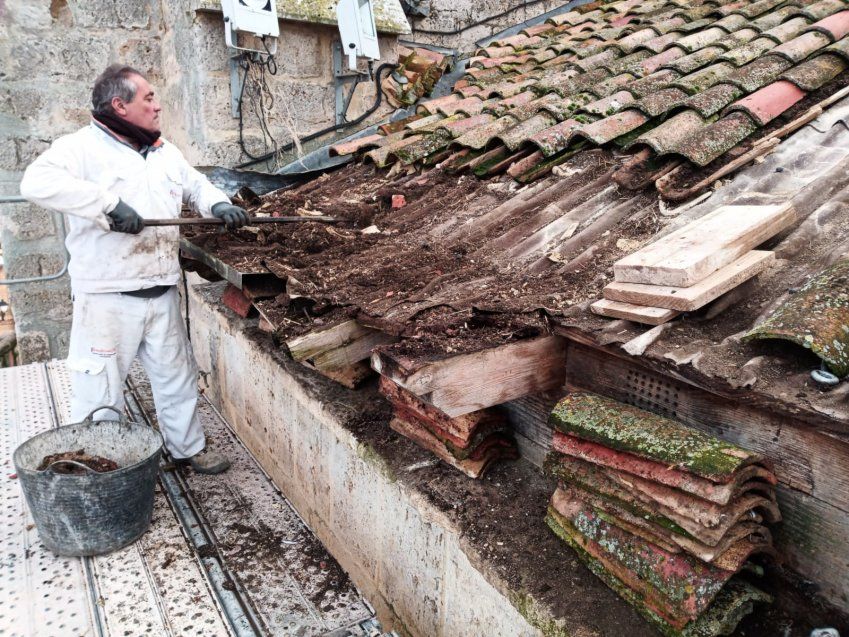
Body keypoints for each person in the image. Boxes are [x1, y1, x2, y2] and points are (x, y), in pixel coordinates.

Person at [20, 64, 250, 474]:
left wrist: (218, 205)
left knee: (176, 378)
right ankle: (101, 466)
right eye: (148, 98)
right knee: (100, 389)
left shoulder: (162, 150)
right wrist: (107, 205)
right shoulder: (80, 148)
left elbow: (194, 184)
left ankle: (187, 448)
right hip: (108, 296)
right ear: (119, 106)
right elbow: (35, 183)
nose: (158, 105)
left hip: (160, 289)